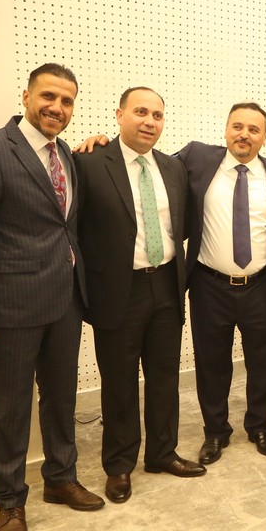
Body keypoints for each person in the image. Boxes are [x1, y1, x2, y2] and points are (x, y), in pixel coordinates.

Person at [0, 63, 104, 531]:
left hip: (65, 301)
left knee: (61, 399)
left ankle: (61, 478)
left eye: (67, 101)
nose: (57, 107)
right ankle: (10, 502)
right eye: (48, 96)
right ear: (26, 96)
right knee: (9, 409)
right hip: (10, 307)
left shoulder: (68, 156)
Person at [76, 87, 205, 505]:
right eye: (141, 112)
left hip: (166, 284)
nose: (150, 121)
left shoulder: (173, 167)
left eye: (158, 115)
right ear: (120, 115)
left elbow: (182, 224)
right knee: (119, 382)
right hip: (119, 290)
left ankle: (163, 453)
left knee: (165, 376)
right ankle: (119, 465)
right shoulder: (90, 163)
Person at [177, 103, 266, 464]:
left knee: (265, 362)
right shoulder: (198, 159)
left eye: (254, 129)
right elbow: (151, 164)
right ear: (225, 130)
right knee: (212, 363)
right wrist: (102, 144)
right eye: (238, 126)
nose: (244, 135)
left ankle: (260, 427)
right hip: (210, 285)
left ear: (264, 137)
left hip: (262, 285)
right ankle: (215, 432)